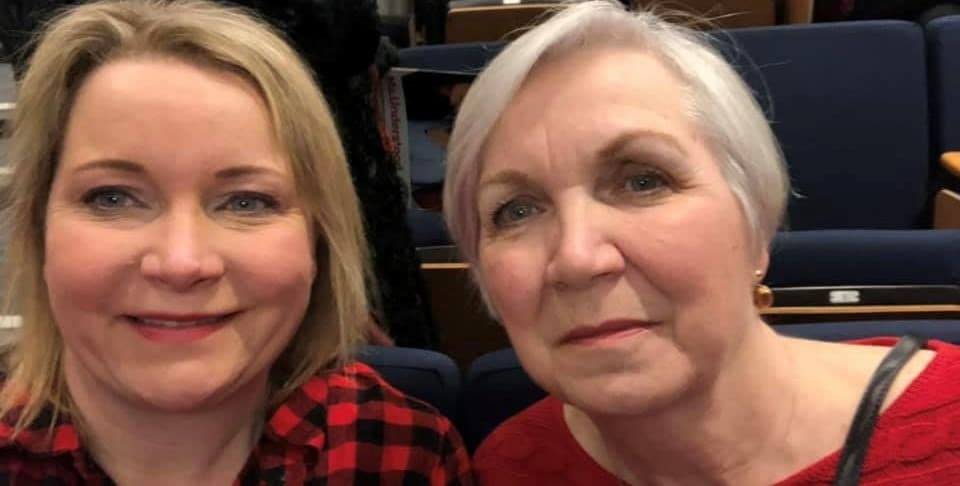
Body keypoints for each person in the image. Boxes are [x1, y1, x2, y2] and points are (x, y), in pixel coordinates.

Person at [442, 1, 960, 484]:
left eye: (643, 180)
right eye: (517, 210)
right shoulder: (513, 467)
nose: (577, 258)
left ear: (754, 220)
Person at [0, 1, 472, 484]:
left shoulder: (399, 454)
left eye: (246, 202)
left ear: (319, 239)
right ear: (37, 225)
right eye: (113, 197)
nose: (181, 262)